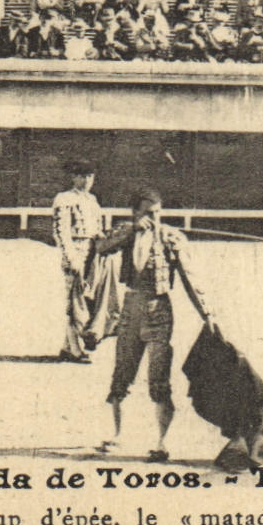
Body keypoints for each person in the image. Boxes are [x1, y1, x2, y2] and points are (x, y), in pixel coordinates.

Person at [99, 189, 214, 463]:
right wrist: (131, 232)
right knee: (121, 374)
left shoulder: (171, 238)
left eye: (158, 212)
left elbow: (190, 278)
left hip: (159, 310)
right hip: (131, 309)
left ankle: (162, 443)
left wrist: (207, 313)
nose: (155, 218)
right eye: (149, 212)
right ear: (136, 213)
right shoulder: (126, 233)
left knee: (158, 378)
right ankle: (116, 435)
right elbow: (100, 248)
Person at [51, 159, 102, 362]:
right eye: (82, 176)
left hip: (91, 253)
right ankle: (74, 350)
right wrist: (71, 257)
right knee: (73, 300)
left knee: (85, 299)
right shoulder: (64, 199)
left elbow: (96, 229)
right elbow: (61, 232)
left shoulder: (93, 201)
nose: (87, 180)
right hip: (76, 252)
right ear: (74, 177)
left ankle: (67, 346)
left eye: (90, 176)